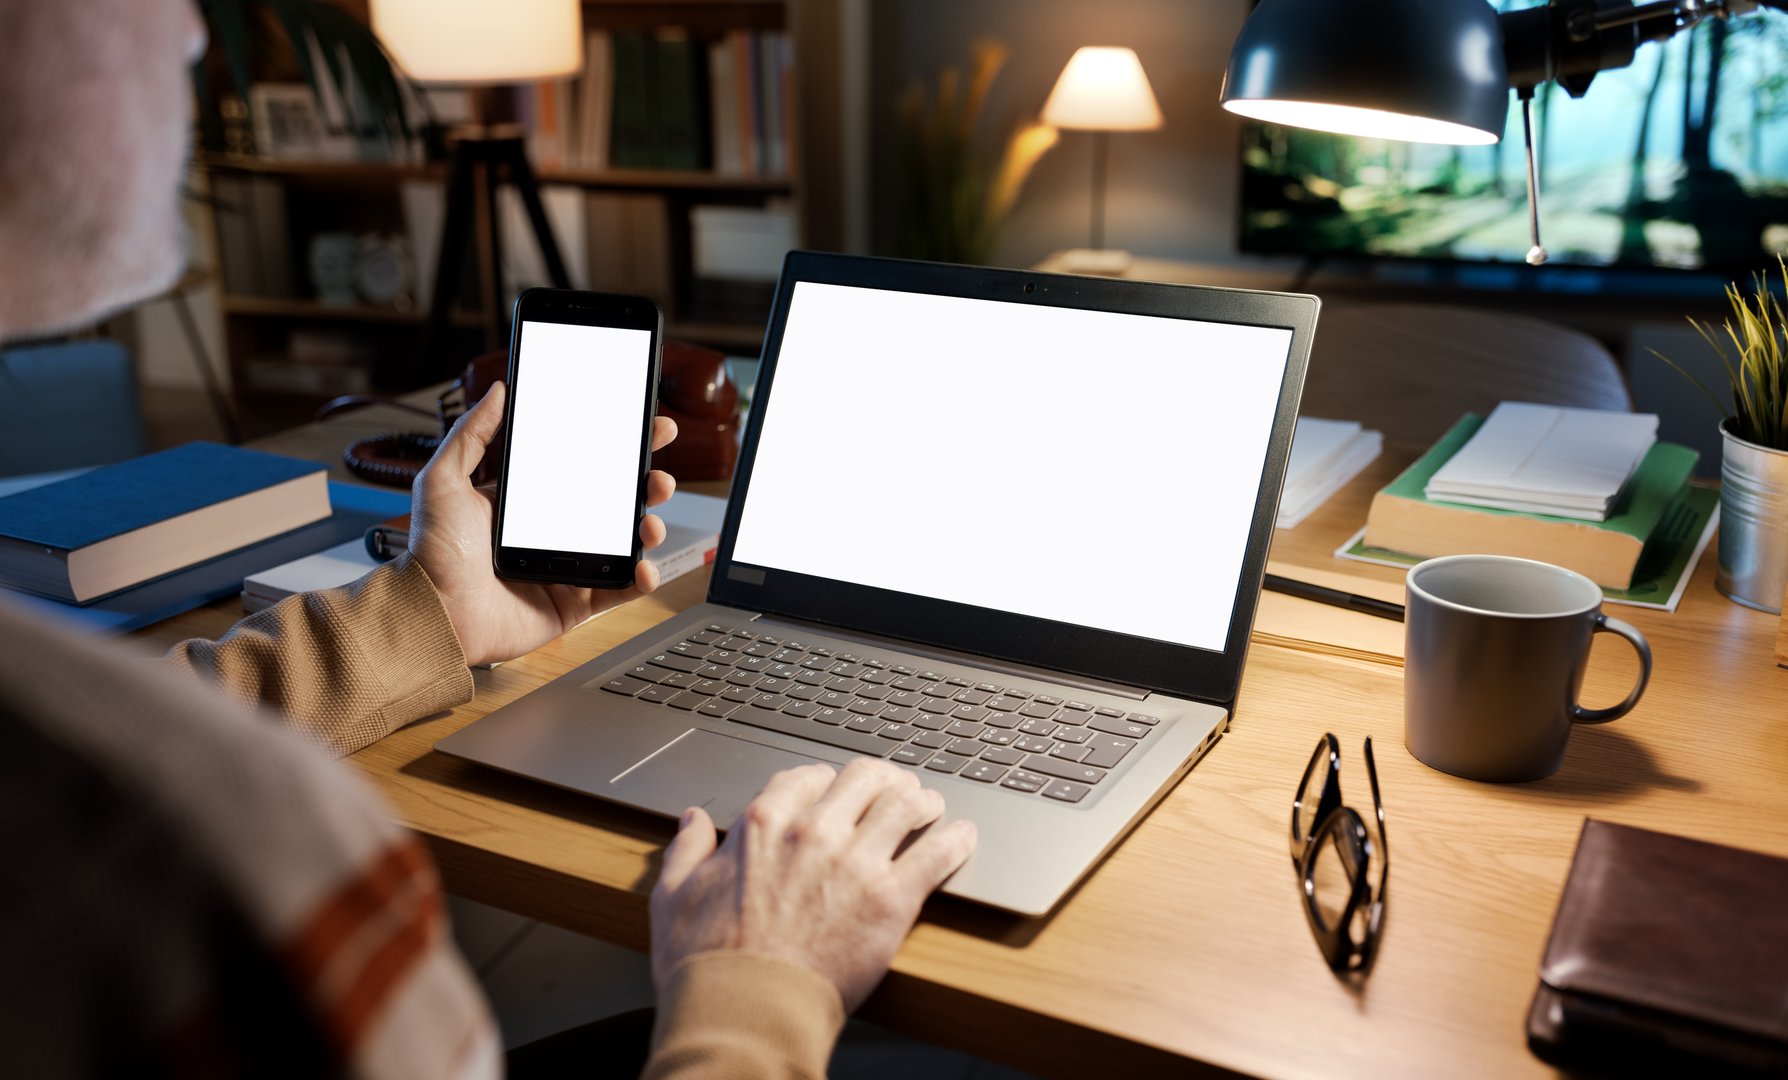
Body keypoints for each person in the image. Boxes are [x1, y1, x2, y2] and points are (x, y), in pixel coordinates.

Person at [0, 1, 977, 1076]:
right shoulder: (241, 858)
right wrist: (759, 984)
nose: (193, 31)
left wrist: (430, 607)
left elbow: (173, 733)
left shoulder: (127, 793)